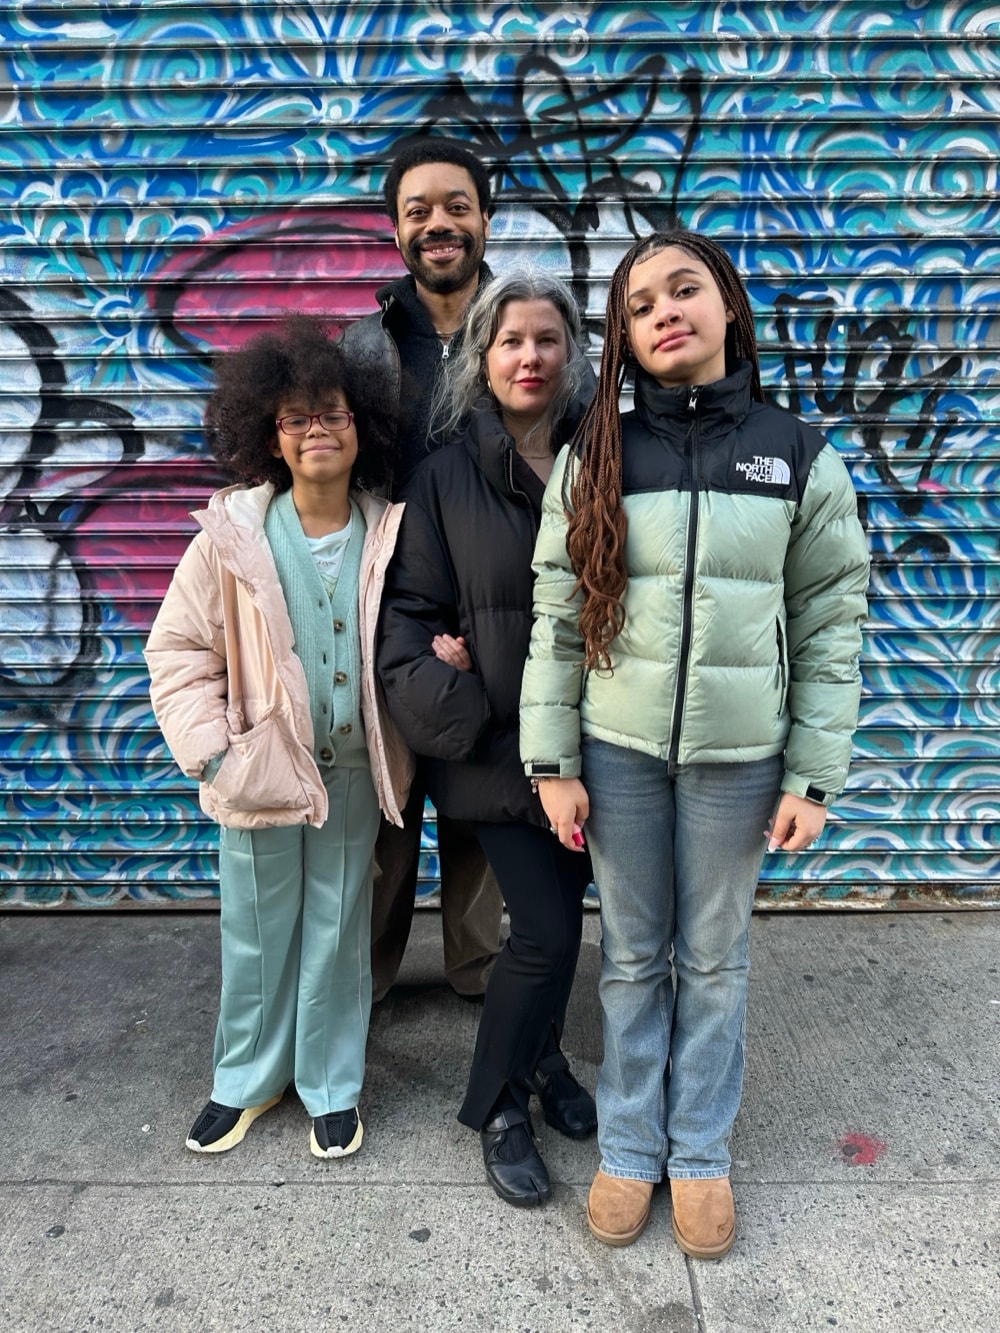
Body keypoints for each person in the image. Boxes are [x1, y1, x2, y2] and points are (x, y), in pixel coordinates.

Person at [519, 229, 870, 1253]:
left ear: (727, 307)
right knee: (632, 958)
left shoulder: (796, 454)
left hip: (739, 761)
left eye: (684, 290)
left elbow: (829, 620)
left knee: (714, 959)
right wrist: (554, 761)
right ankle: (631, 1145)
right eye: (640, 305)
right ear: (625, 337)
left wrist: (811, 774)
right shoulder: (596, 453)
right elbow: (556, 614)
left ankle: (701, 1151)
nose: (664, 311)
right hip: (617, 751)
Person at [144, 314, 412, 1160]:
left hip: (352, 773)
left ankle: (332, 1083)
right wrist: (215, 753)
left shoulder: (392, 532)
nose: (316, 429)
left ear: (361, 427)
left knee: (339, 929)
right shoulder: (230, 538)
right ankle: (246, 1079)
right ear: (272, 436)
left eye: (332, 413)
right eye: (297, 417)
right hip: (257, 770)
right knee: (257, 930)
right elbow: (179, 650)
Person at [377, 270, 598, 1207]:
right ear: (482, 356)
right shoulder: (443, 476)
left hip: (596, 748)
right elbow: (404, 624)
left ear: (573, 352)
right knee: (542, 932)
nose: (530, 356)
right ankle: (499, 1106)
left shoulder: (609, 459)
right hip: (499, 753)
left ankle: (544, 1059)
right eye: (510, 340)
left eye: (548, 338)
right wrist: (463, 706)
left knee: (563, 922)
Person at [342, 136, 506, 1004]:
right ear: (397, 230)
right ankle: (366, 977)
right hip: (388, 603)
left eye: (456, 206)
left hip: (496, 596)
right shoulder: (362, 347)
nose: (438, 224)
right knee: (387, 798)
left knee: (479, 795)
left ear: (486, 218)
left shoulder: (525, 330)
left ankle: (479, 966)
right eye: (418, 211)